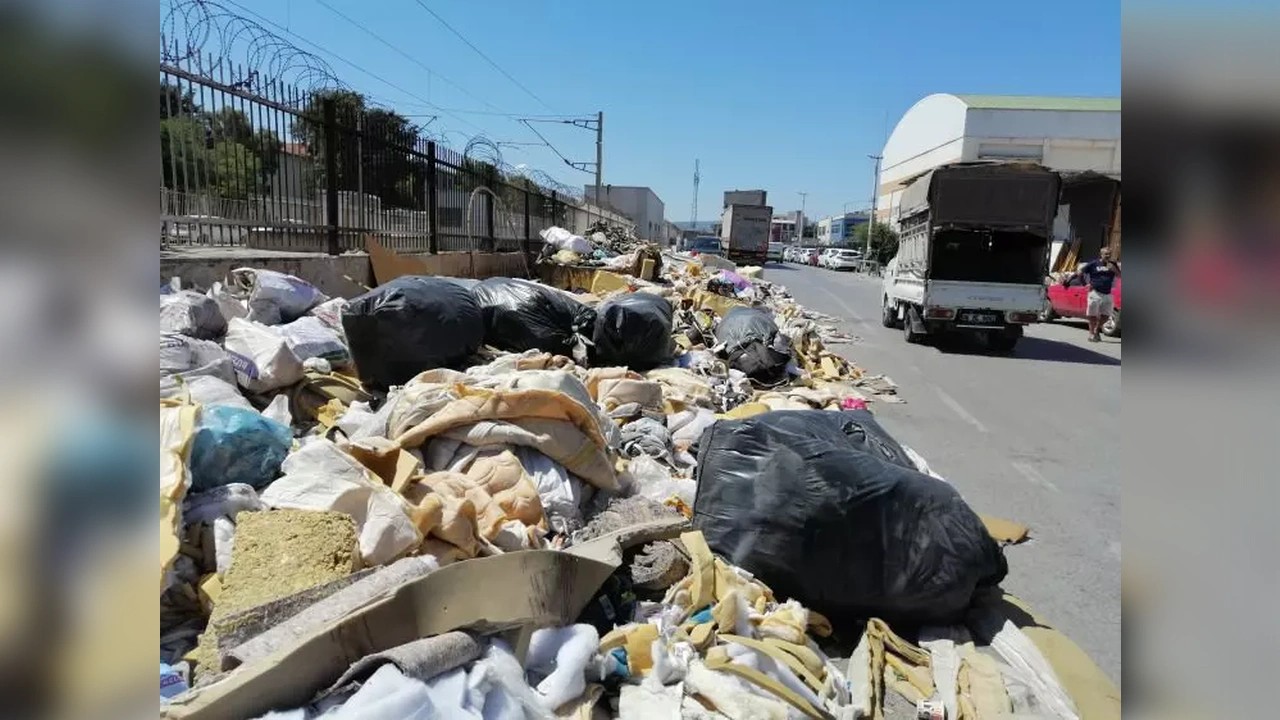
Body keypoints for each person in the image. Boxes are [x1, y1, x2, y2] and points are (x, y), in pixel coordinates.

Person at [1080, 247, 1121, 342]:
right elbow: (1080, 272)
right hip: (1095, 292)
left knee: (1106, 315)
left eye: (1109, 254)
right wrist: (1084, 284)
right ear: (1101, 254)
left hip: (1107, 293)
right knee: (1092, 315)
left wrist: (1114, 269)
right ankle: (1091, 334)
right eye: (1106, 254)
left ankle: (1096, 329)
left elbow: (1119, 276)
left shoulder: (1113, 264)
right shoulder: (1094, 264)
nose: (1108, 256)